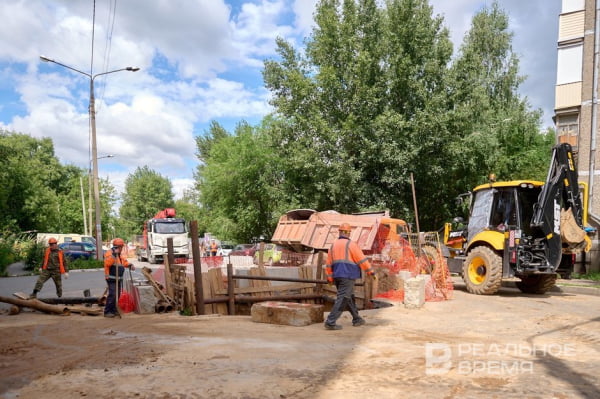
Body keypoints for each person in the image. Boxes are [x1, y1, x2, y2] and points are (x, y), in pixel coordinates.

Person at [324, 223, 376, 330]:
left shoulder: (333, 245)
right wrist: (370, 271)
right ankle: (330, 321)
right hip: (347, 275)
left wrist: (329, 277)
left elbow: (328, 264)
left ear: (340, 232)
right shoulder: (351, 244)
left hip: (337, 276)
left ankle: (357, 319)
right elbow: (361, 259)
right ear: (348, 233)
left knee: (349, 297)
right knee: (343, 298)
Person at [103, 237, 135, 318]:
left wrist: (129, 265)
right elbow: (108, 263)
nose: (122, 248)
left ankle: (113, 310)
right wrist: (114, 255)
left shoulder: (120, 254)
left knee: (117, 295)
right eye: (121, 247)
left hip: (118, 278)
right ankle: (108, 311)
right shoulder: (109, 253)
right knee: (112, 294)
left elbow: (123, 262)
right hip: (111, 278)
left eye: (122, 247)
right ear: (117, 246)